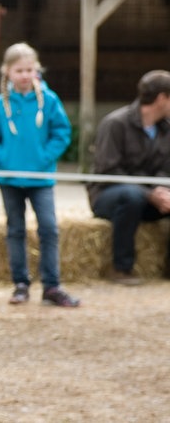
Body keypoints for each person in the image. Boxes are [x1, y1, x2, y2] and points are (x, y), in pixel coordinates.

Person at [0, 43, 79, 307]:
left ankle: (52, 286)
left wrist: (44, 158)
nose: (24, 75)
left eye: (29, 70)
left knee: (48, 229)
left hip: (41, 179)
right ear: (7, 72)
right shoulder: (0, 104)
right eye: (19, 70)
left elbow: (61, 133)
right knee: (15, 230)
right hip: (10, 180)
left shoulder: (50, 100)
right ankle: (20, 284)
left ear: (37, 71)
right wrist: (5, 158)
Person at [87, 69, 170, 286]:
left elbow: (165, 169)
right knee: (131, 196)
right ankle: (121, 268)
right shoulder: (115, 123)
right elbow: (109, 171)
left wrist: (162, 192)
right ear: (162, 98)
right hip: (109, 196)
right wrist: (149, 194)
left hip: (149, 195)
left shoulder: (166, 130)